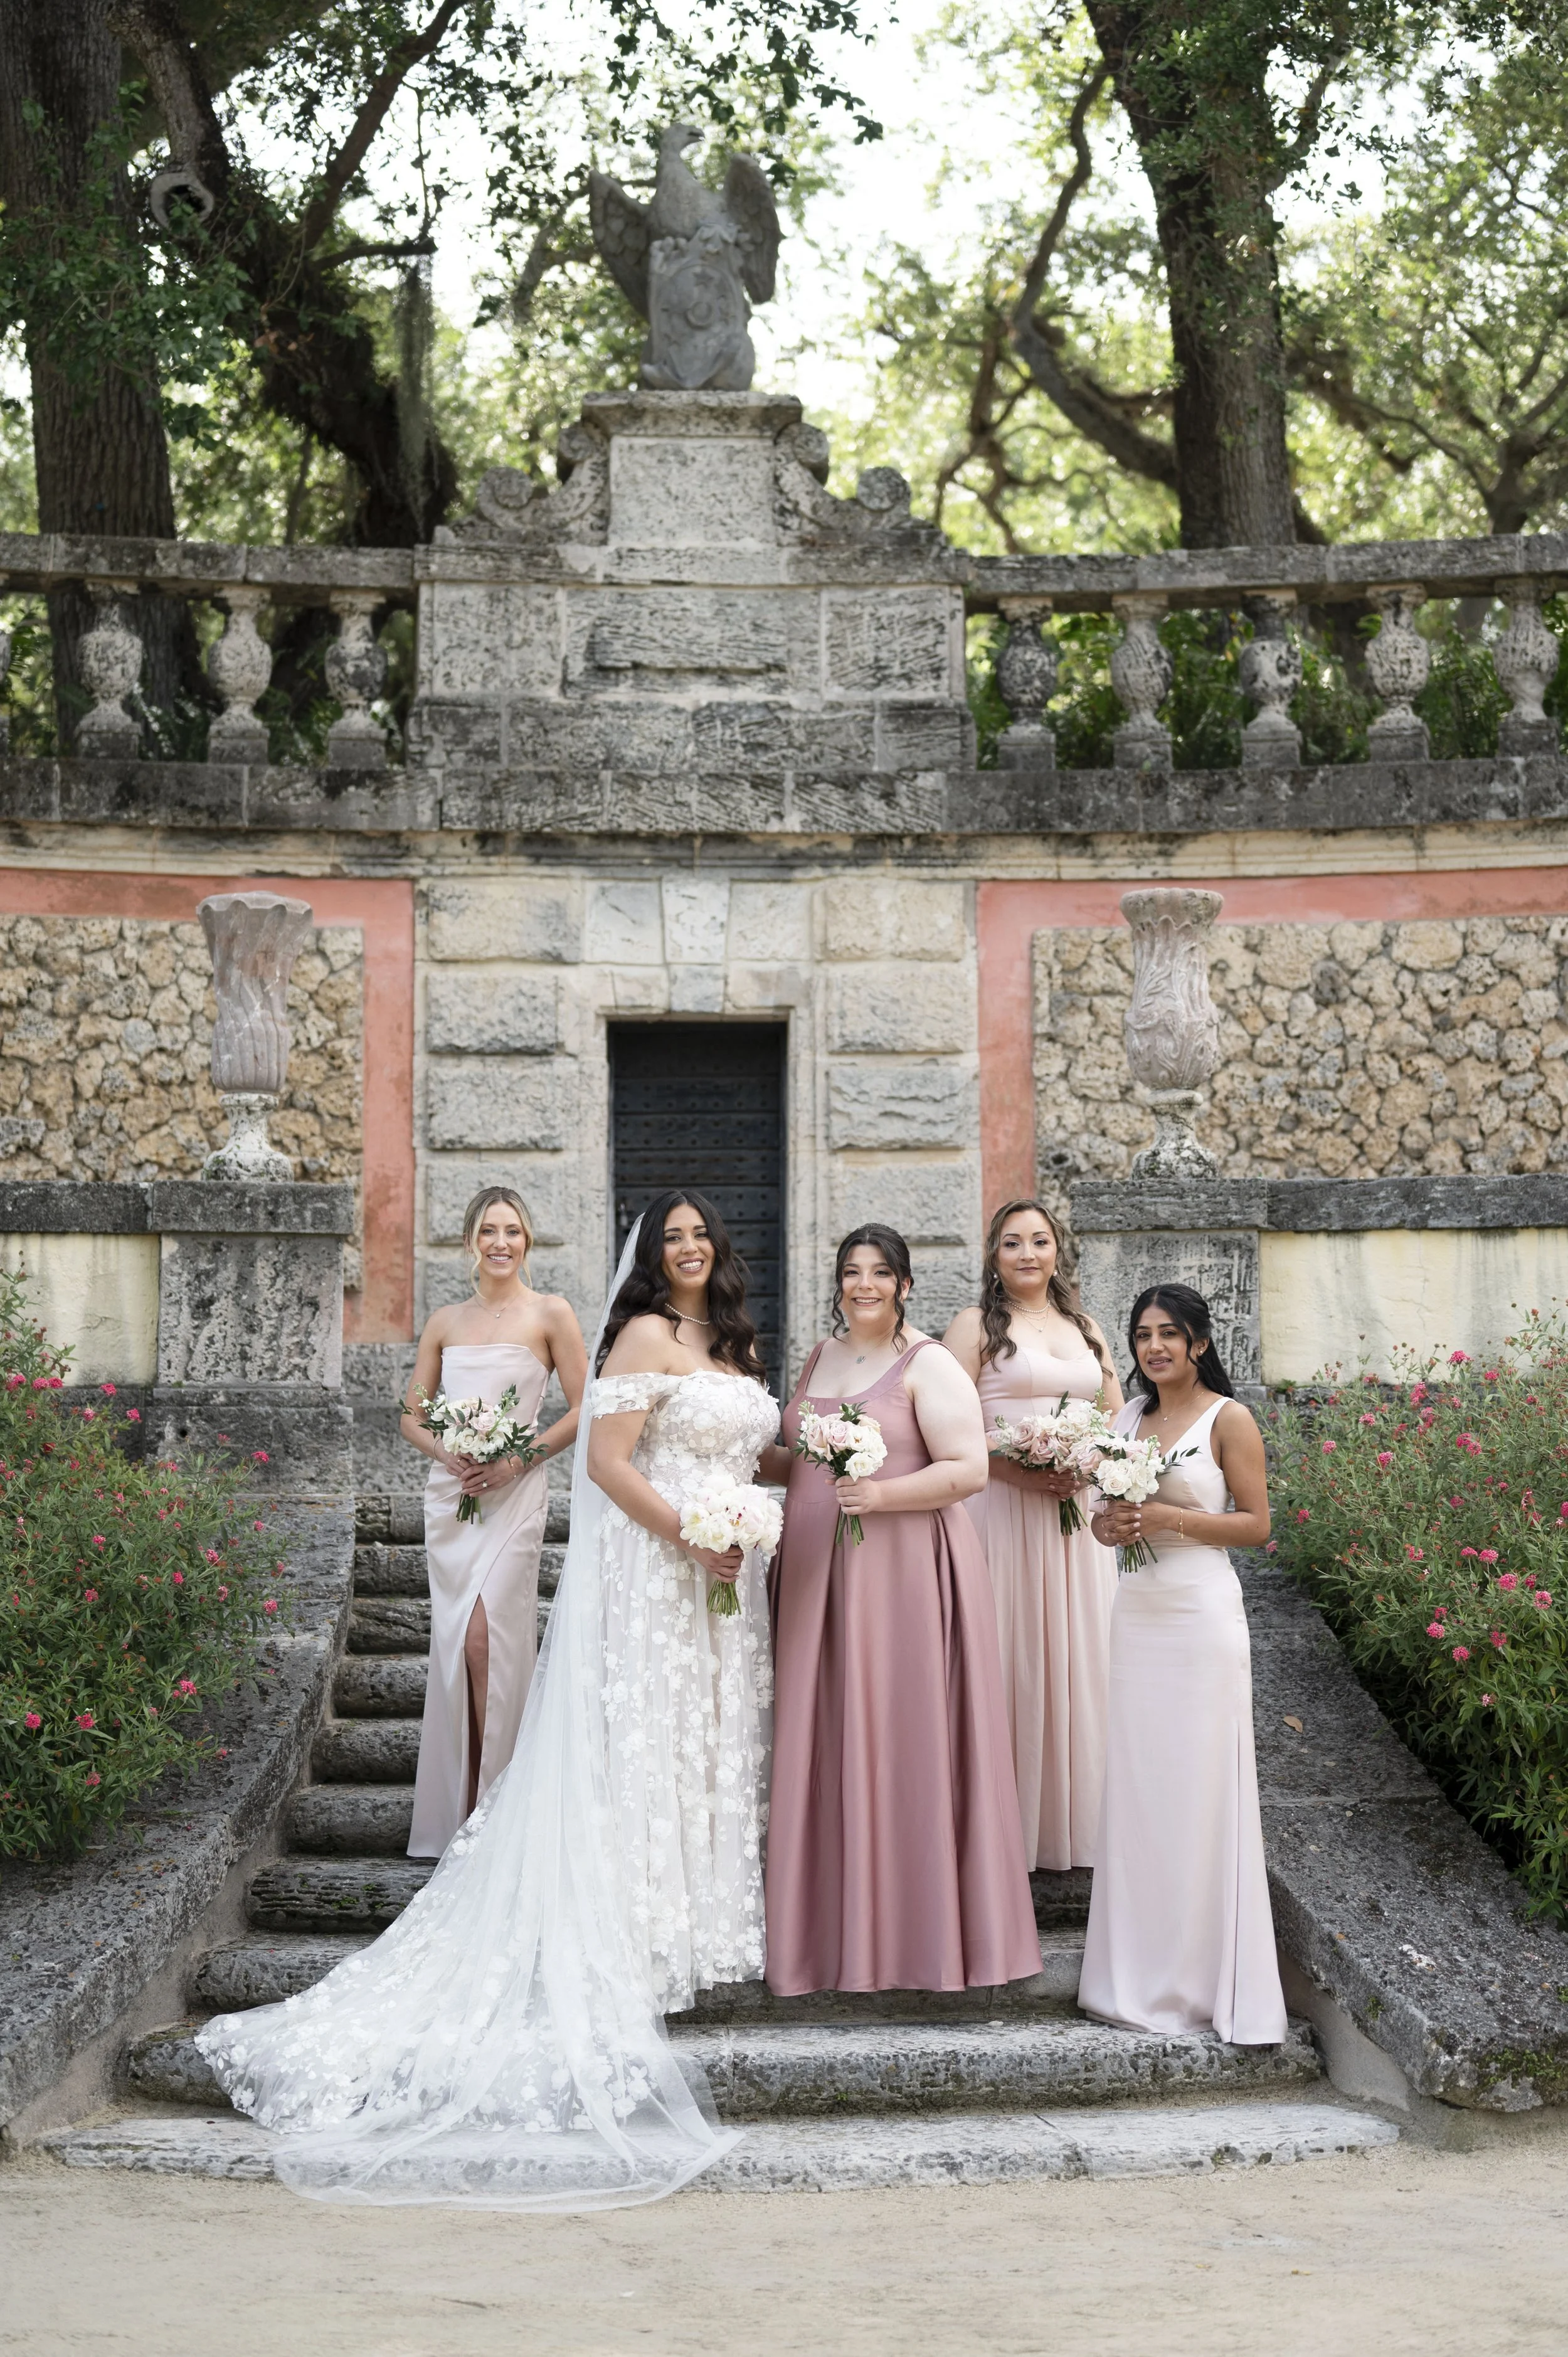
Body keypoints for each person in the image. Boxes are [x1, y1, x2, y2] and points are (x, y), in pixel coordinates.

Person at [196, 1189, 779, 2210]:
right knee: (651, 1743)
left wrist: (810, 1470)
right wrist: (692, 1534)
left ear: (720, 1247)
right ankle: (641, 1940)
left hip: (727, 1582)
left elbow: (749, 1450)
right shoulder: (642, 1333)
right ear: (653, 1254)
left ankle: (705, 1930)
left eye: (701, 1233)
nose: (689, 1246)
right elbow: (608, 1462)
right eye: (673, 1236)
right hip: (664, 1569)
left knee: (711, 1746)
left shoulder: (736, 1340)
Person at [763, 1224, 1040, 1995]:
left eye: (880, 1273)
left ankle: (914, 1939)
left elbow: (969, 1468)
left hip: (900, 1575)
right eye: (852, 1271)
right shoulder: (818, 1356)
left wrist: (879, 1497)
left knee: (899, 1741)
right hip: (814, 1572)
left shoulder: (930, 1362)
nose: (864, 1284)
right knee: (824, 1738)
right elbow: (798, 1461)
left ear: (905, 1285)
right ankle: (823, 1934)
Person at [1079, 1284, 1287, 2045]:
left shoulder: (1227, 1418)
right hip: (1136, 1613)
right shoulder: (1125, 1418)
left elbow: (1256, 1525)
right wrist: (1111, 1525)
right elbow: (1101, 1522)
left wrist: (1168, 1516)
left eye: (1169, 1333)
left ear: (1198, 1342)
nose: (1154, 1346)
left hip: (1200, 1619)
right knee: (1142, 1788)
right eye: (1143, 1334)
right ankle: (1131, 1974)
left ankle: (1198, 1981)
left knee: (1200, 1790)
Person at [400, 1187, 586, 1859]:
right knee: (459, 1647)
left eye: (511, 1230)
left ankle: (498, 1805)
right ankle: (464, 1809)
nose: (500, 1242)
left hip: (515, 1495)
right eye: (488, 1230)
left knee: (490, 1642)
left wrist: (515, 1462)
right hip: (453, 1498)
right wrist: (448, 1451)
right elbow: (411, 1415)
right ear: (470, 1241)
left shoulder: (551, 1313)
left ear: (527, 1241)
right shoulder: (444, 1321)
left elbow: (582, 1408)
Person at [945, 1200, 1121, 1871]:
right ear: (994, 1255)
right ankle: (1004, 1831)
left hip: (1074, 1519)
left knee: (1081, 1658)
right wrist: (1018, 1469)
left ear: (1057, 1250)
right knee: (1010, 1655)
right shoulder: (973, 1326)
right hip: (1000, 1510)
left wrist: (1088, 1463)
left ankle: (1077, 1824)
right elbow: (945, 1425)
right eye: (1012, 1242)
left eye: (1039, 1241)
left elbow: (1115, 1418)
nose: (1027, 1253)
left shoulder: (1086, 1327)